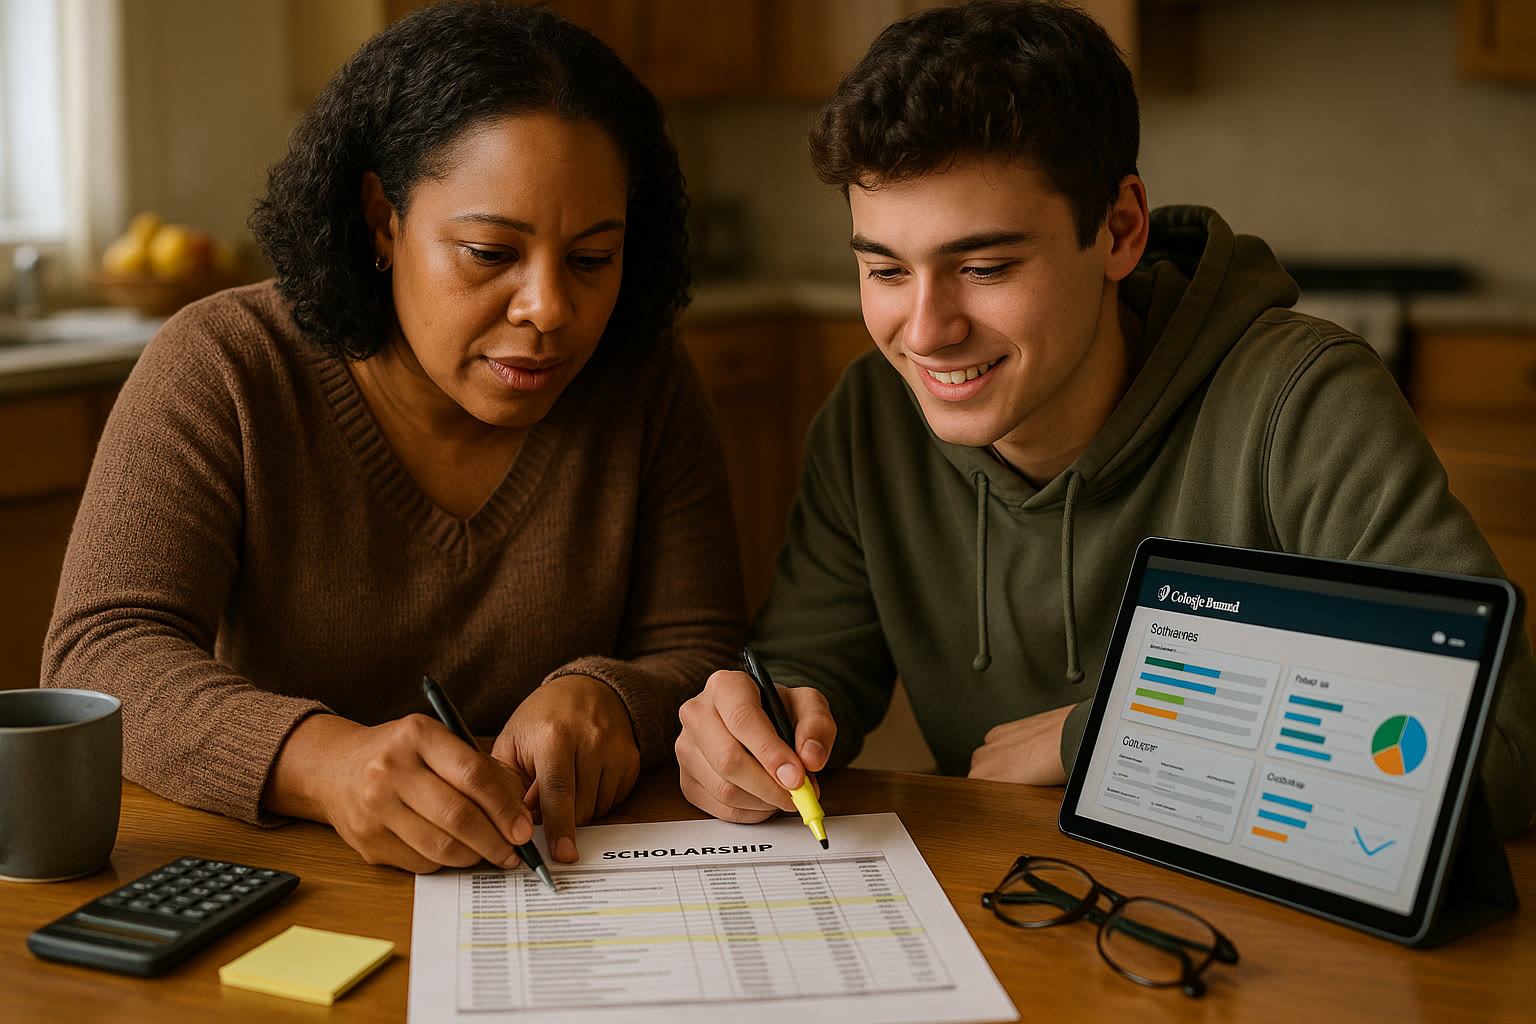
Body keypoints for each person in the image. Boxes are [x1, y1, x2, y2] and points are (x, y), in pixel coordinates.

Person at [675, 0, 1536, 839]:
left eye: (983, 266)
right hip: (1026, 915)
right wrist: (759, 725)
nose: (926, 333)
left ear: (1120, 230)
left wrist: (1105, 733)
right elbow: (809, 665)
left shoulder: (1304, 400)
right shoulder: (870, 416)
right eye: (887, 271)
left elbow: (1496, 749)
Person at [44, 2, 745, 873]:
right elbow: (102, 654)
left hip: (559, 879)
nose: (551, 309)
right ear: (383, 219)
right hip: (287, 884)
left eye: (593, 259)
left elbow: (702, 649)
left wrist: (610, 696)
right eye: (491, 252)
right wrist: (324, 763)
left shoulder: (644, 379)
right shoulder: (224, 364)